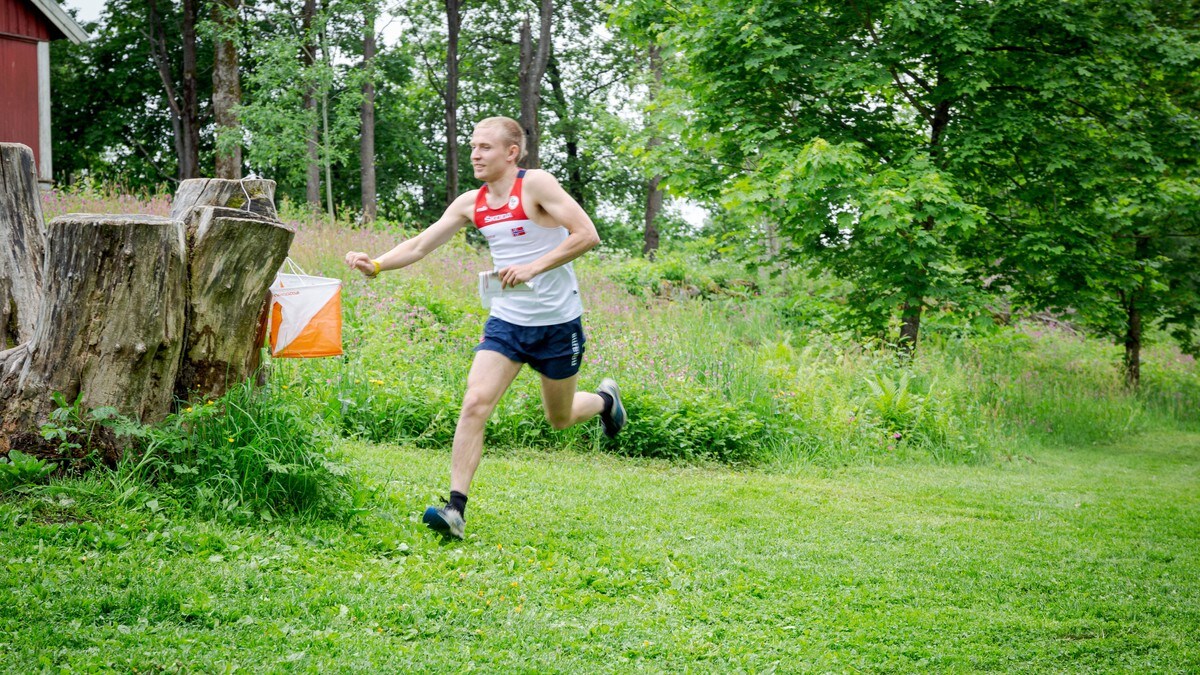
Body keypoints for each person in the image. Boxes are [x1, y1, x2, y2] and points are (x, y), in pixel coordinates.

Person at [344, 116, 626, 539]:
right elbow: (422, 244)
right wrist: (378, 264)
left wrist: (533, 265)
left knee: (560, 417)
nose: (475, 154)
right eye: (473, 146)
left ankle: (605, 401)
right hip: (507, 322)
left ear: (512, 153)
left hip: (557, 323)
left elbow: (587, 235)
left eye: (485, 147)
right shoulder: (470, 202)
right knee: (475, 402)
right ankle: (455, 509)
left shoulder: (537, 186)